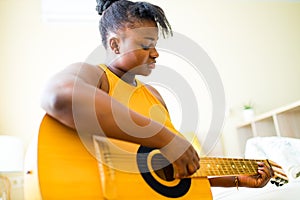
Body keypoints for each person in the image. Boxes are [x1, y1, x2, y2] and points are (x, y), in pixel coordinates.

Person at [41, 0, 273, 192]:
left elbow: (171, 172)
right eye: (145, 45)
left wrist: (237, 179)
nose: (155, 53)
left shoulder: (154, 96)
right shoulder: (97, 76)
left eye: (155, 45)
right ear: (115, 45)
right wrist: (167, 138)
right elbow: (60, 95)